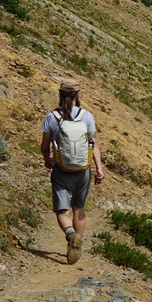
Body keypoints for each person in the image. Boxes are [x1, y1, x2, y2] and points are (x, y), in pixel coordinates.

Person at [40, 78, 104, 264]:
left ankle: (70, 235)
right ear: (78, 94)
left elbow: (44, 146)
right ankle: (78, 243)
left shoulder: (51, 117)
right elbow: (93, 143)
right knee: (78, 208)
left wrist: (47, 159)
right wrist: (99, 169)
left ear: (60, 94)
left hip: (61, 169)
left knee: (62, 211)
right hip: (83, 170)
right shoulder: (86, 116)